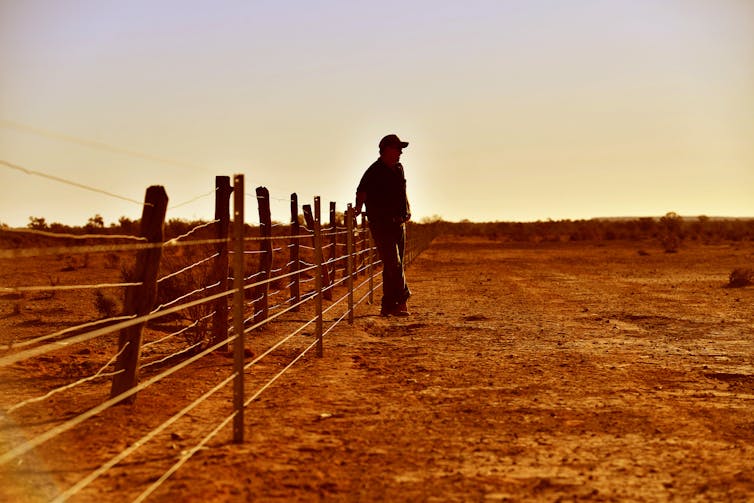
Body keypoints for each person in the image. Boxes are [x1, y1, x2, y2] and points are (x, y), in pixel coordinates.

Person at [356, 134, 412, 317]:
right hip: (382, 224)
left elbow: (403, 191)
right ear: (387, 149)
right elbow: (361, 191)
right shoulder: (374, 171)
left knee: (393, 266)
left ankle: (388, 305)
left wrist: (408, 208)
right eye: (397, 148)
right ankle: (402, 300)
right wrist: (357, 209)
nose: (400, 152)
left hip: (399, 224)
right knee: (394, 264)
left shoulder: (399, 168)